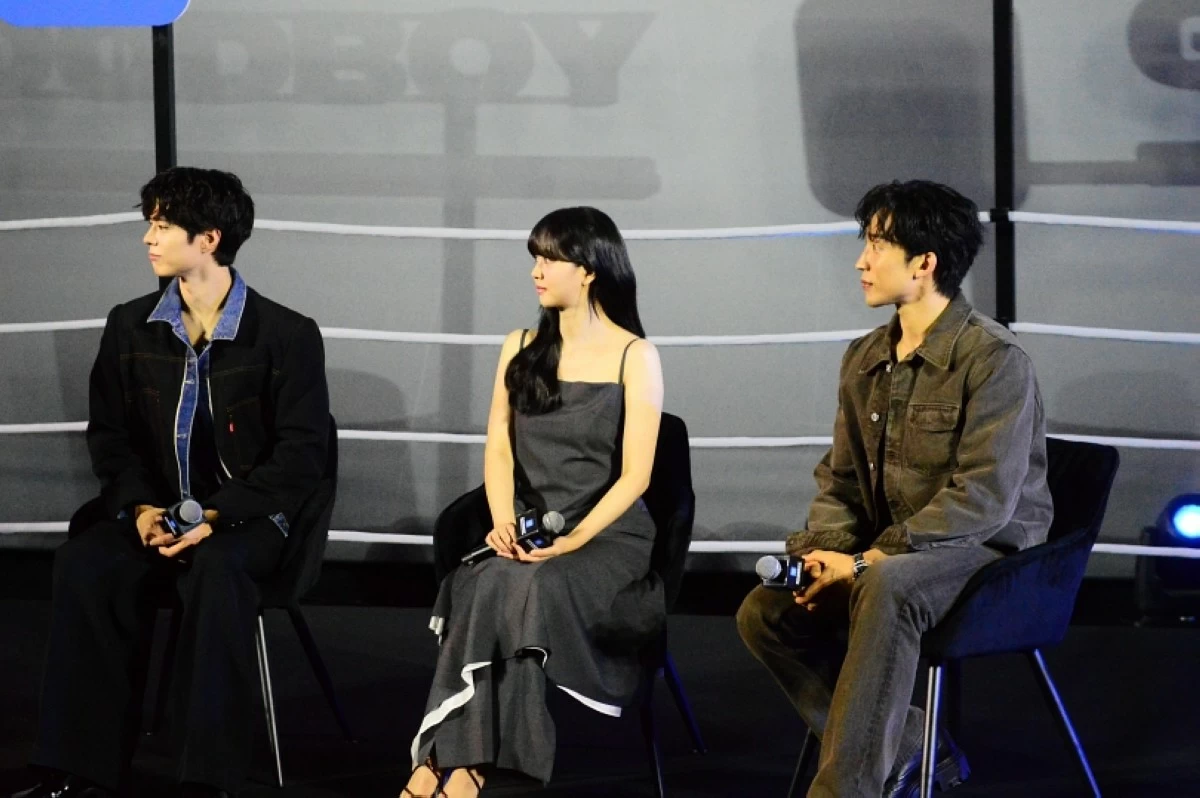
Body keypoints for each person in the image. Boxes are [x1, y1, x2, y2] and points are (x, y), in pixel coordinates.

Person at [16, 167, 331, 798]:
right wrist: (138, 509)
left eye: (161, 225)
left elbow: (300, 458)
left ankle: (203, 778)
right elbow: (110, 437)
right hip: (154, 513)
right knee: (86, 563)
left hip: (247, 522)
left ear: (208, 238)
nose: (148, 238)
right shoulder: (129, 325)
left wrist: (213, 516)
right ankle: (80, 768)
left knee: (216, 571)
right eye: (150, 224)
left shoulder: (286, 334)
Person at [736, 180, 1053, 797]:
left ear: (924, 263)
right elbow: (841, 479)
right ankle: (914, 749)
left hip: (990, 556)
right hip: (892, 554)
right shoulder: (863, 358)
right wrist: (826, 553)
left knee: (886, 587)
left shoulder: (994, 359)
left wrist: (865, 562)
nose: (861, 261)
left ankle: (846, 791)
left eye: (877, 245)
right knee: (765, 612)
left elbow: (984, 499)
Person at [401, 207, 665, 798]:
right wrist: (503, 524)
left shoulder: (635, 356)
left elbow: (637, 476)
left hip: (607, 535)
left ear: (589, 270)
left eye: (550, 259)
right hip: (530, 524)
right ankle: (461, 761)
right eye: (535, 259)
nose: (536, 272)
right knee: (484, 580)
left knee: (533, 587)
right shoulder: (519, 346)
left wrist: (574, 540)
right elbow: (498, 446)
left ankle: (466, 765)